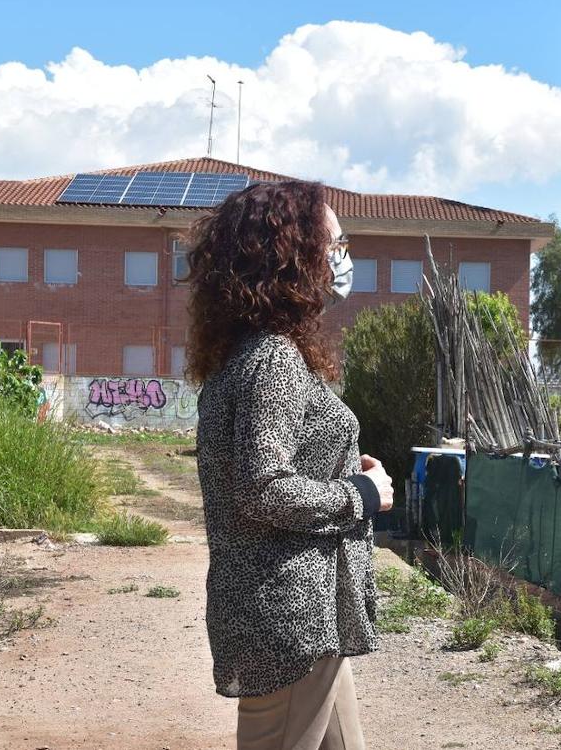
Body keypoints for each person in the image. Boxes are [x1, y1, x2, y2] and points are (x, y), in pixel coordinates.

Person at [187, 180, 393, 750]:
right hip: (287, 614)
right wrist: (362, 494)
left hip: (305, 608)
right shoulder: (271, 357)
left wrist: (342, 466)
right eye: (335, 243)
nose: (343, 257)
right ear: (294, 256)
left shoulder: (250, 352)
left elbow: (267, 464)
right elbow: (262, 488)